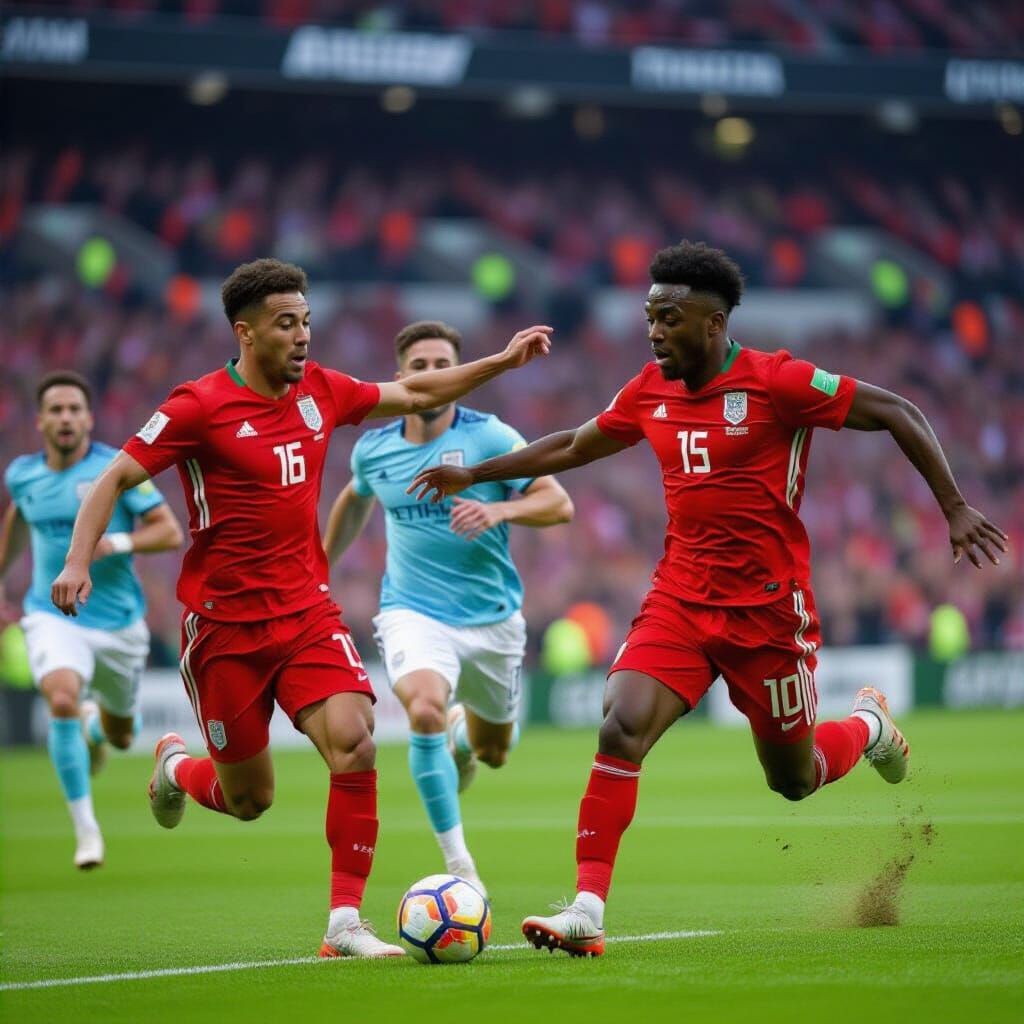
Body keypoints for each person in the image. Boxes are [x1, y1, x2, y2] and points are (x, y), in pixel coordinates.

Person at [409, 240, 1008, 956]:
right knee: (620, 726)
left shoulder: (776, 382)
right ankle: (587, 909)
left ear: (714, 322)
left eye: (669, 318)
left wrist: (953, 506)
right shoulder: (648, 390)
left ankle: (870, 726)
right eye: (649, 317)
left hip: (767, 612)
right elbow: (574, 443)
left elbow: (898, 410)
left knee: (794, 779)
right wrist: (477, 473)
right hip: (682, 599)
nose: (655, 331)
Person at [51, 258, 552, 959]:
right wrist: (77, 561)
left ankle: (344, 921)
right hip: (224, 627)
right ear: (246, 332)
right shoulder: (197, 406)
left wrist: (499, 362)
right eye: (287, 324)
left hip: (306, 613)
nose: (303, 336)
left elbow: (414, 392)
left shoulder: (322, 391)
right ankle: (174, 769)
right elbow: (115, 476)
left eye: (307, 321)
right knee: (250, 799)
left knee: (357, 741)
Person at [324, 320, 573, 896]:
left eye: (443, 365)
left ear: (460, 377)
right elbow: (356, 499)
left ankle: (466, 739)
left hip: (493, 620)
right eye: (421, 366)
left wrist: (500, 512)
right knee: (425, 711)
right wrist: (318, 567)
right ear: (401, 377)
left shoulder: (492, 438)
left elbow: (557, 504)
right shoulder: (375, 448)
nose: (433, 375)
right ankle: (461, 867)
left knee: (495, 751)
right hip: (413, 611)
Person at [1, 370, 183, 870]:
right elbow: (18, 520)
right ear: (40, 421)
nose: (65, 418)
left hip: (119, 624)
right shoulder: (23, 475)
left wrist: (114, 543)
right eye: (56, 409)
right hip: (52, 614)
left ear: (88, 418)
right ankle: (87, 832)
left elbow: (169, 533)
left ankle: (97, 729)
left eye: (74, 409)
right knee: (60, 695)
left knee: (123, 734)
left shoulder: (116, 469)